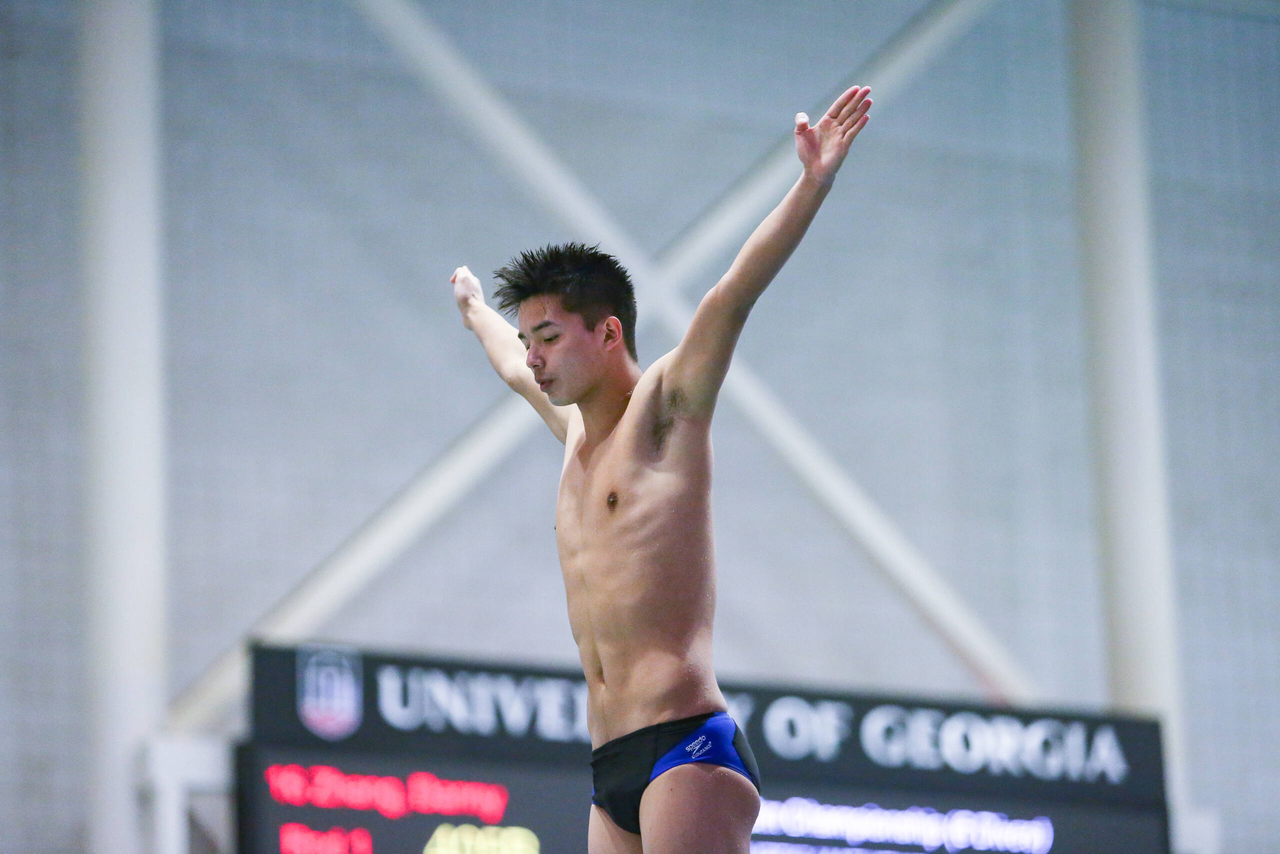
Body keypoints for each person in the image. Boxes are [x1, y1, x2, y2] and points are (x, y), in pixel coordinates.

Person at [450, 85, 872, 854]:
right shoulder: (574, 430)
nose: (536, 357)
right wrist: (476, 308)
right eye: (530, 338)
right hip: (609, 770)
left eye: (549, 336)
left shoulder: (668, 410)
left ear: (608, 332)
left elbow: (731, 297)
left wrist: (813, 183)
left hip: (687, 750)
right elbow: (512, 367)